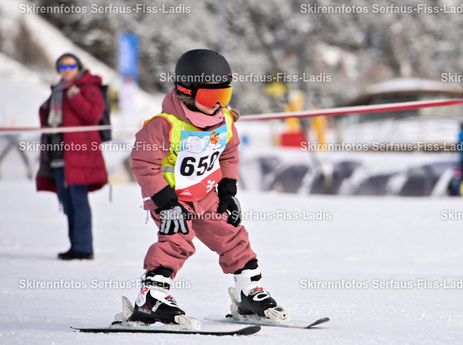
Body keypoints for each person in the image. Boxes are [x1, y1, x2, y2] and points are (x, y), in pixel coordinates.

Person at [127, 49, 285, 325]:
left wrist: (228, 191)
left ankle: (248, 292)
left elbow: (228, 154)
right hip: (171, 198)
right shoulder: (164, 126)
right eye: (211, 98)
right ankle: (152, 298)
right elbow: (143, 164)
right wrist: (167, 202)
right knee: (176, 240)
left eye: (224, 96)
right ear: (187, 93)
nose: (218, 105)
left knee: (232, 235)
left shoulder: (225, 121)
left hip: (205, 194)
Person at [36, 53, 107, 260]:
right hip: (58, 154)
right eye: (63, 67)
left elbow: (94, 115)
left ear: (79, 67)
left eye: (71, 66)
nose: (67, 70)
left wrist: (75, 97)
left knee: (78, 201)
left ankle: (84, 248)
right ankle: (75, 245)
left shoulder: (88, 88)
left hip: (79, 155)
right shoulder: (57, 91)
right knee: (67, 202)